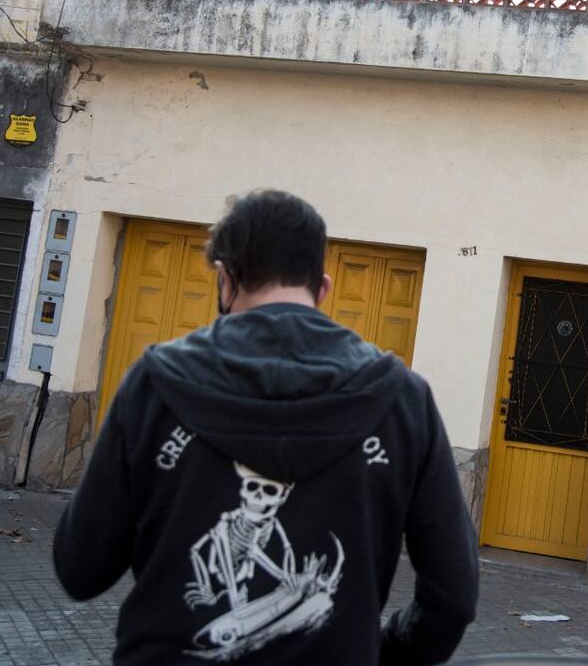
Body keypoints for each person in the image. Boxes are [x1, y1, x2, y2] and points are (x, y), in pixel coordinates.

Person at [54, 190, 478, 665]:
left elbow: (80, 568)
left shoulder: (153, 384)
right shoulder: (403, 399)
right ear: (322, 288)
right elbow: (455, 596)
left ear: (226, 279)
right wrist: (385, 652)